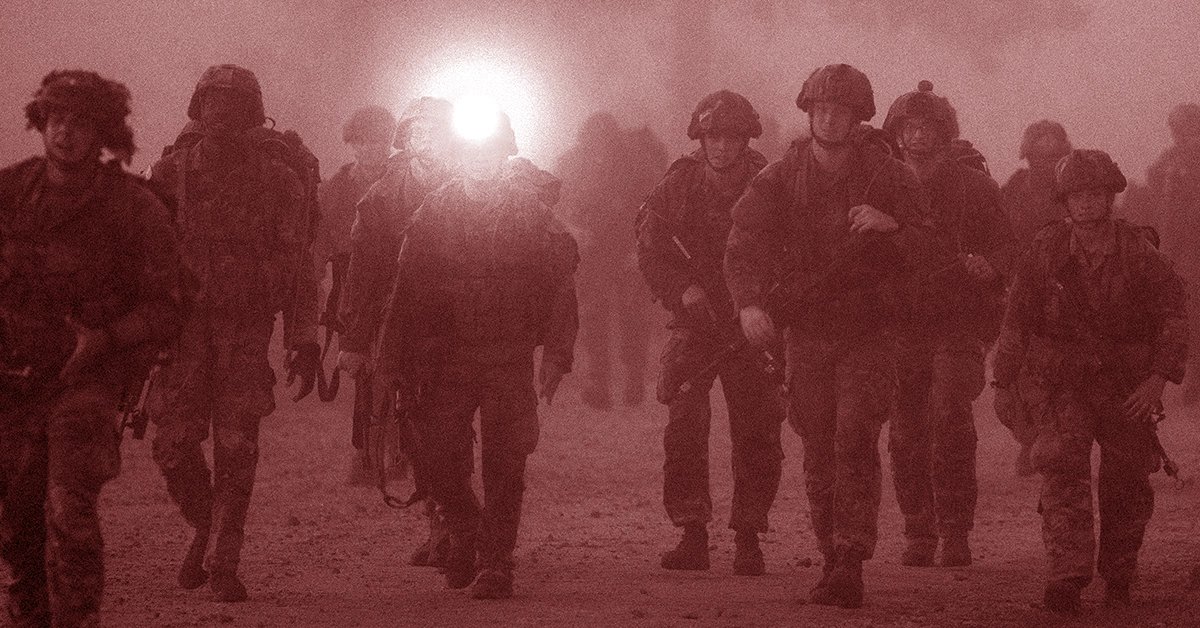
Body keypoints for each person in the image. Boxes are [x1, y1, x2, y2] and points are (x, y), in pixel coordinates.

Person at [725, 63, 932, 608]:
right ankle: (829, 554)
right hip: (808, 332)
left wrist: (893, 226)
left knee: (855, 437)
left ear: (858, 117)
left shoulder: (889, 176)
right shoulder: (781, 176)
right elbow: (743, 244)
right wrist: (749, 305)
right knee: (817, 443)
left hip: (869, 330)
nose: (830, 119)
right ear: (809, 113)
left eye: (841, 111)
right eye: (821, 109)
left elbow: (932, 248)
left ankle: (849, 556)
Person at [0, 70, 185, 627]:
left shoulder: (132, 207)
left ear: (102, 133)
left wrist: (102, 340)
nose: (65, 133)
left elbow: (169, 306)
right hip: (12, 381)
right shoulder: (10, 193)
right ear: (40, 123)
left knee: (69, 508)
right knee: (17, 517)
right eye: (56, 120)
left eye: (80, 123)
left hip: (88, 382)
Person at [375, 110, 577, 599]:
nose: (481, 161)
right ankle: (465, 524)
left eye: (490, 152)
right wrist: (390, 359)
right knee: (435, 453)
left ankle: (496, 562)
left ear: (504, 155)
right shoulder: (435, 211)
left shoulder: (531, 214)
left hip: (507, 357)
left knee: (506, 462)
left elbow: (560, 290)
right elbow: (406, 290)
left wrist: (556, 355)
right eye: (471, 152)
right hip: (447, 357)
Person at [147, 64, 321, 602]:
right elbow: (144, 259)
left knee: (237, 445)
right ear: (198, 108)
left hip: (245, 329)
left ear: (251, 113)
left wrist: (303, 337)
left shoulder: (279, 182)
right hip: (183, 332)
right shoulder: (168, 175)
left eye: (234, 104)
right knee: (173, 445)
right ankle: (206, 526)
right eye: (213, 102)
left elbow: (299, 266)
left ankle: (225, 558)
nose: (222, 113)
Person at [992, 149, 1188, 613]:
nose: (1085, 203)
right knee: (1061, 468)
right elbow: (1017, 317)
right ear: (1065, 201)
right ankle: (1066, 575)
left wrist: (1158, 379)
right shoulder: (1046, 249)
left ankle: (1118, 574)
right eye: (1076, 195)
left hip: (1126, 386)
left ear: (1110, 197)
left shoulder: (1139, 252)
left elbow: (1173, 317)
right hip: (1063, 381)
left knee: (1126, 479)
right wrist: (1003, 380)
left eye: (1095, 194)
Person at [636, 90, 784, 576]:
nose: (721, 147)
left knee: (757, 429)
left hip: (751, 323)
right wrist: (682, 289)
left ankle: (748, 536)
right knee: (684, 423)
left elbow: (794, 251)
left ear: (746, 141)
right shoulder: (678, 185)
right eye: (712, 137)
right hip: (696, 324)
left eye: (731, 138)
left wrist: (761, 305)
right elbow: (651, 247)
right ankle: (692, 531)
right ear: (700, 139)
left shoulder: (771, 184)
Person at [881, 81, 1015, 568]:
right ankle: (919, 528)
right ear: (897, 134)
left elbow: (1007, 246)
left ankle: (955, 529)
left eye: (928, 127)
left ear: (945, 133)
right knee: (905, 429)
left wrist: (989, 265)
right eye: (910, 127)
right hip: (900, 324)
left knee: (950, 417)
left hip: (959, 322)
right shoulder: (881, 186)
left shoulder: (975, 188)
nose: (918, 135)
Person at [336, 97, 455, 565]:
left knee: (455, 427)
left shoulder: (480, 183)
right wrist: (353, 341)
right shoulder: (383, 197)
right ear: (406, 139)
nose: (427, 141)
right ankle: (443, 523)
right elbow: (363, 272)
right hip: (407, 327)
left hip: (466, 327)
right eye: (418, 132)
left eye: (436, 132)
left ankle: (462, 523)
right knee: (419, 428)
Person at [555, 113, 667, 409]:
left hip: (626, 251)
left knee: (633, 319)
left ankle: (634, 379)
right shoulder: (573, 165)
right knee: (593, 320)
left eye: (604, 143)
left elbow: (653, 209)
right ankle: (599, 382)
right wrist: (574, 231)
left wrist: (639, 251)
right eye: (594, 144)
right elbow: (556, 207)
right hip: (592, 255)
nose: (600, 150)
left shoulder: (635, 166)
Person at [998, 120, 1074, 476]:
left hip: (1069, 291)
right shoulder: (1015, 187)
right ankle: (1030, 438)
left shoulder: (1077, 185)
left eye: (1052, 153)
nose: (1045, 161)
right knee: (1016, 373)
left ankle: (1059, 437)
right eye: (1038, 153)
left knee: (1064, 370)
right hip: (1021, 291)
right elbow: (997, 233)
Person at [315, 106, 396, 436]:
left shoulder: (406, 182)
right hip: (352, 291)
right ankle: (366, 446)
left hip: (400, 287)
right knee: (362, 372)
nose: (368, 149)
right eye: (360, 141)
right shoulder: (334, 189)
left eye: (376, 141)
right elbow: (320, 246)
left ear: (388, 143)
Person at [1145, 103, 1200, 405]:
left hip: (1193, 243)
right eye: (1178, 129)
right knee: (1186, 311)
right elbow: (1156, 196)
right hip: (1178, 246)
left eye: (1188, 127)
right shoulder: (1168, 161)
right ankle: (1193, 376)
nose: (1183, 134)